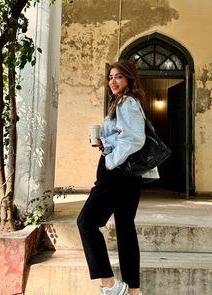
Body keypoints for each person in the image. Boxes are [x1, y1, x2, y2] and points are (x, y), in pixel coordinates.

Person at [77, 60, 147, 295]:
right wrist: (103, 142)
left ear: (129, 79)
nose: (113, 82)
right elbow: (124, 137)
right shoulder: (123, 103)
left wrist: (109, 160)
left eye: (118, 77)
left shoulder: (127, 102)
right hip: (127, 174)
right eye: (110, 77)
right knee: (125, 228)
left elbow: (135, 139)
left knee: (86, 222)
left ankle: (110, 284)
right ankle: (133, 291)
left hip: (117, 173)